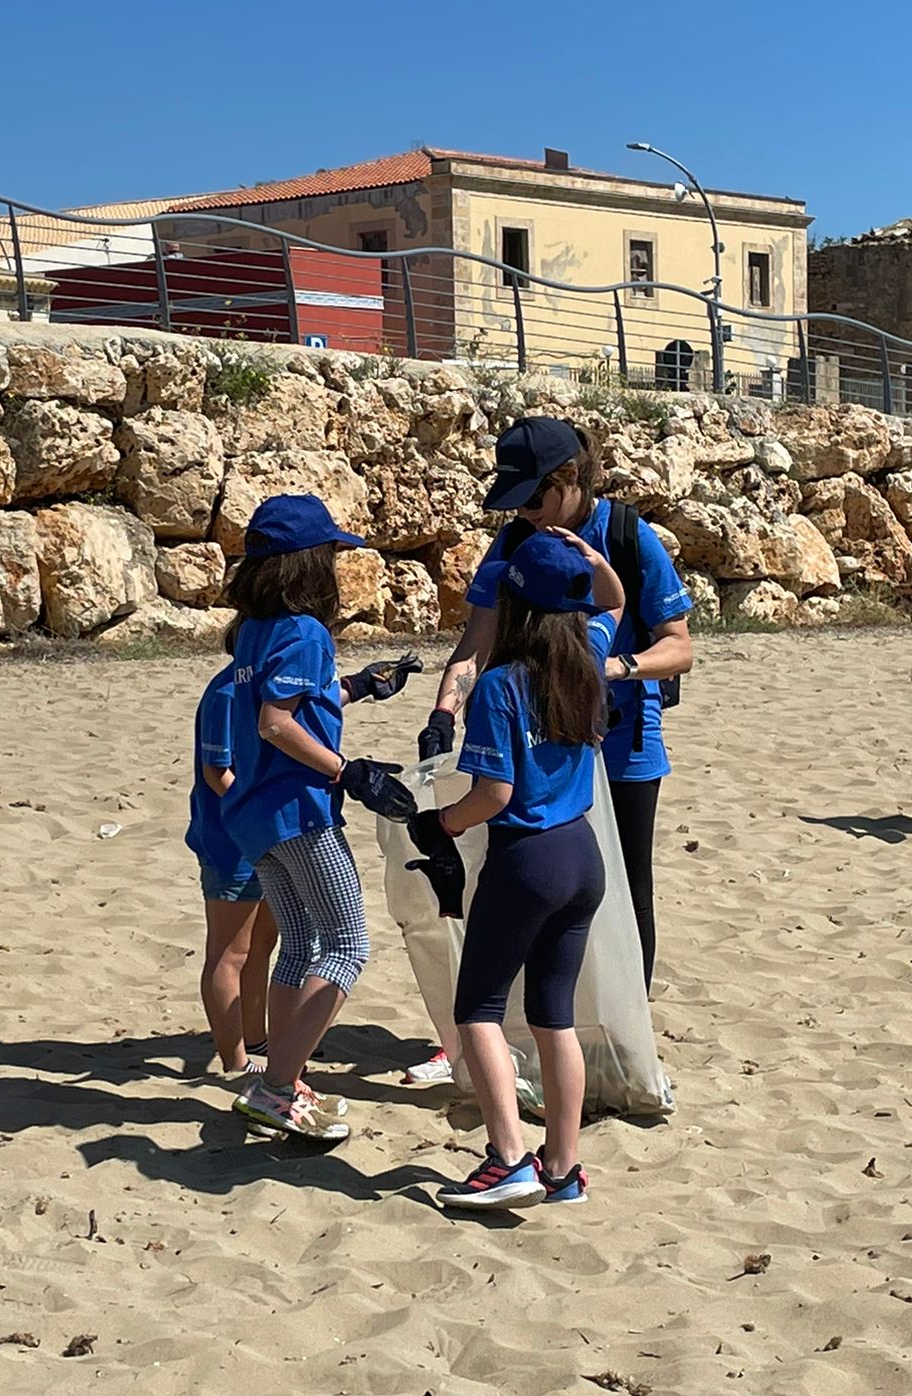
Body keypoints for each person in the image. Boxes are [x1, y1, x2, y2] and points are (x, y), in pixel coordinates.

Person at [420, 417, 691, 1011]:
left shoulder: (626, 535)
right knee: (534, 889)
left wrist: (613, 671)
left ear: (569, 478)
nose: (525, 514)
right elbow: (476, 644)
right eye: (514, 502)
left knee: (628, 890)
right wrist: (445, 709)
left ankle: (627, 1022)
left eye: (534, 498)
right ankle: (539, 1025)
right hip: (538, 749)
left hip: (624, 746)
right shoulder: (516, 542)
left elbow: (680, 649)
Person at [409, 529, 624, 1211]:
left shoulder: (502, 685)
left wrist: (441, 824)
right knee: (554, 1017)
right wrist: (593, 561)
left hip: (526, 858)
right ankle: (563, 1165)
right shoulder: (587, 657)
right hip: (582, 855)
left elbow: (493, 796)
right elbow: (616, 603)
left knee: (478, 1007)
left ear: (516, 605)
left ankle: (507, 1158)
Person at [220, 495, 421, 1143]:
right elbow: (275, 723)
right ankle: (275, 1087)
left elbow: (295, 701)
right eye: (331, 554)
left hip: (252, 816)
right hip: (300, 813)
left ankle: (284, 1071)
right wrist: (346, 771)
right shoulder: (306, 631)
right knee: (346, 946)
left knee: (300, 945)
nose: (337, 565)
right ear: (308, 565)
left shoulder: (254, 631)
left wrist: (359, 686)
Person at [188, 638, 280, 1076]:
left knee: (264, 941)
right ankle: (234, 1060)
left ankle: (256, 1036)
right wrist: (255, 817)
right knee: (229, 952)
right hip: (231, 840)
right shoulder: (228, 691)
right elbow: (216, 770)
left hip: (269, 836)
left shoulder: (268, 689)